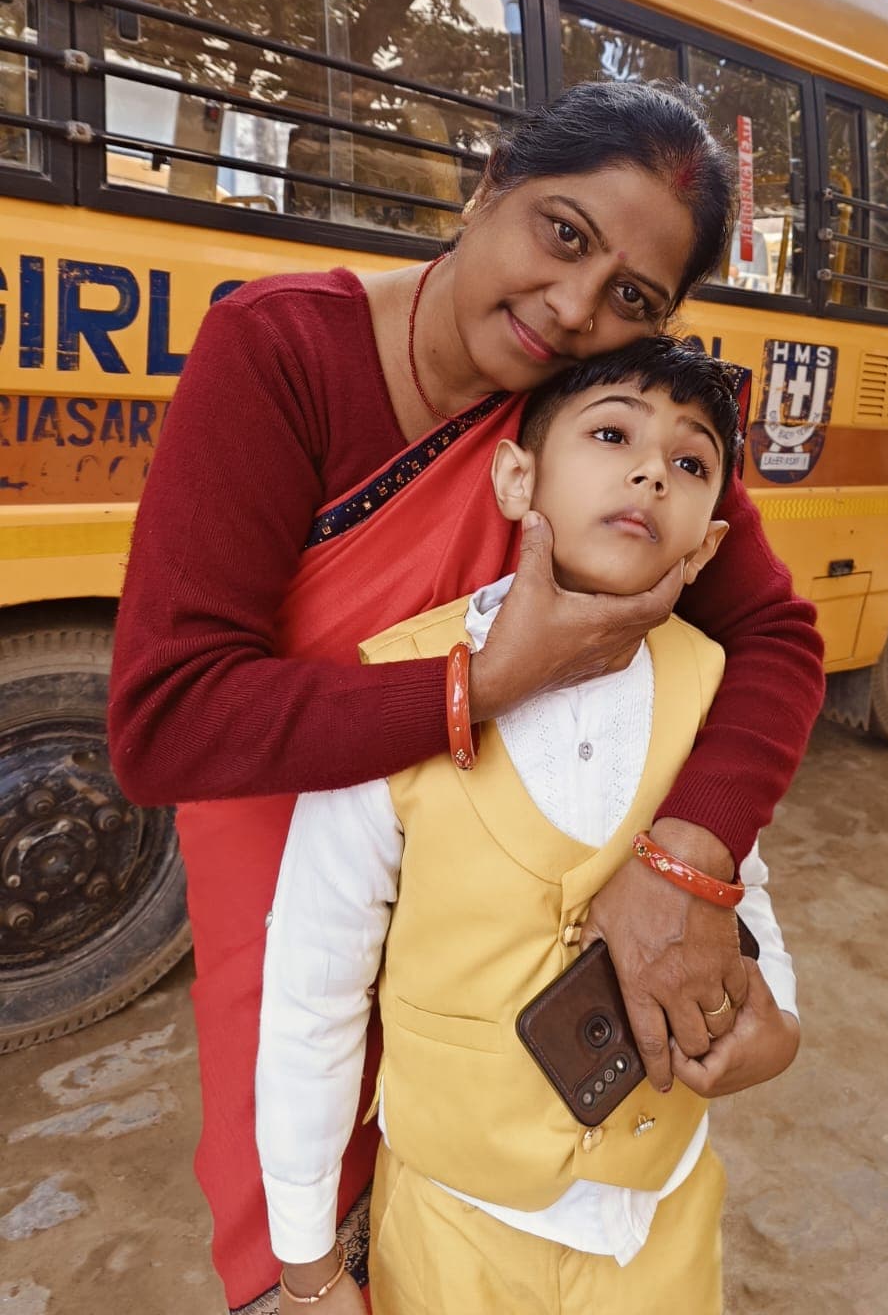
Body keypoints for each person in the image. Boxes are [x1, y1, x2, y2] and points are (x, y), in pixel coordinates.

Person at [108, 80, 824, 1313]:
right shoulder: (280, 352)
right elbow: (169, 718)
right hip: (297, 892)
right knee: (309, 1224)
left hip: (506, 947)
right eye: (562, 232)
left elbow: (774, 637)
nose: (573, 307)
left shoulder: (597, 421)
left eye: (633, 297)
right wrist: (488, 681)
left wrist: (688, 863)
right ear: (488, 183)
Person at [256, 338, 801, 1315]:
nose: (650, 470)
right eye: (611, 432)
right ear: (518, 478)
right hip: (454, 1235)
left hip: (662, 1231)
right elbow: (311, 993)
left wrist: (779, 1021)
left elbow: (743, 894)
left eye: (690, 463)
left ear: (709, 542)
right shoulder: (396, 696)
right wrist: (305, 1267)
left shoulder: (710, 690)